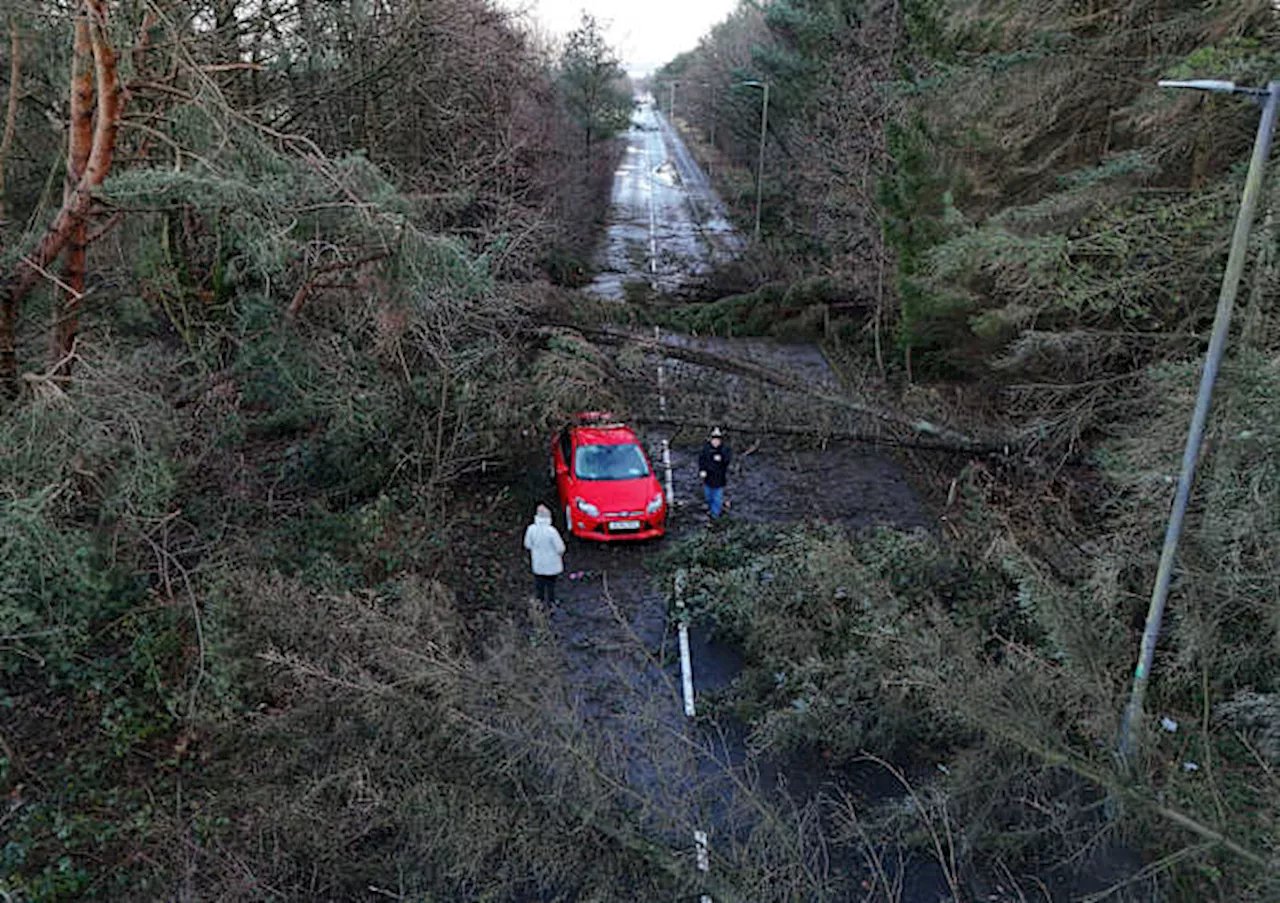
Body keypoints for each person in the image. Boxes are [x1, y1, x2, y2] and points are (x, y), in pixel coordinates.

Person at [523, 504, 566, 604]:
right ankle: (551, 601)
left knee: (539, 583)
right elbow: (560, 548)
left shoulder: (531, 529)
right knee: (551, 583)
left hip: (538, 563)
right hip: (552, 563)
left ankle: (540, 601)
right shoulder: (551, 531)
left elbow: (527, 545)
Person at [698, 426, 732, 519]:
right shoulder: (706, 449)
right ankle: (709, 509)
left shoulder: (724, 450)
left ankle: (714, 516)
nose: (715, 442)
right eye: (714, 440)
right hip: (708, 479)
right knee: (708, 497)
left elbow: (727, 460)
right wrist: (702, 470)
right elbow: (701, 460)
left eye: (717, 440)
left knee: (717, 499)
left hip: (719, 479)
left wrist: (721, 458)